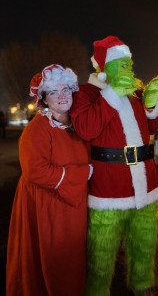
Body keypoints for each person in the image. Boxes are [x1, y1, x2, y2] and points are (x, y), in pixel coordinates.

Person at [70, 36, 158, 296]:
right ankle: (97, 291)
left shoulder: (136, 92)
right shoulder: (85, 93)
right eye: (122, 65)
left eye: (129, 64)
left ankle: (142, 286)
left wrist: (150, 105)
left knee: (144, 244)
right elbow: (86, 129)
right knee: (101, 252)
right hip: (108, 189)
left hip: (146, 184)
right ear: (103, 68)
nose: (129, 70)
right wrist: (113, 94)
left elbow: (151, 128)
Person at [6, 64, 93, 296]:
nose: (62, 96)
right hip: (47, 205)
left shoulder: (77, 126)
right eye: (54, 92)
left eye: (65, 89)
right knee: (53, 260)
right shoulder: (38, 128)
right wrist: (85, 172)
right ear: (43, 98)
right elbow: (35, 170)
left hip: (72, 205)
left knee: (72, 257)